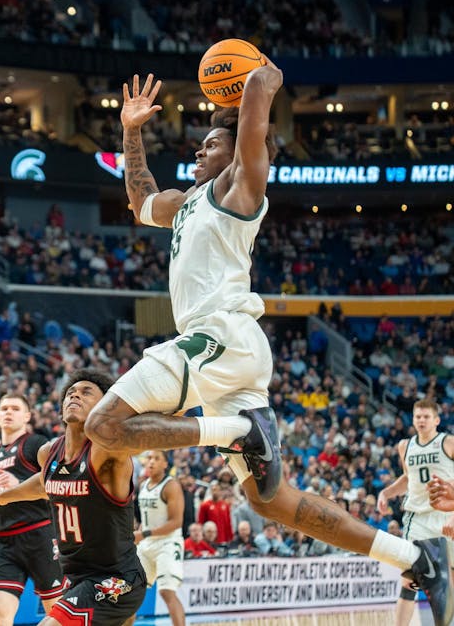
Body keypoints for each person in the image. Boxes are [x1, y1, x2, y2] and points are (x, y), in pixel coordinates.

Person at [80, 69, 451, 624]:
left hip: (219, 338)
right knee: (270, 500)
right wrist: (131, 131)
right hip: (228, 355)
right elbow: (140, 200)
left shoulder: (241, 188)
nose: (199, 150)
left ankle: (236, 431)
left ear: (237, 154)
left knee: (103, 426)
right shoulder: (186, 202)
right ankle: (419, 558)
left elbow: (254, 120)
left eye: (211, 143)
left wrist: (258, 78)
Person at [0, 370, 146, 626]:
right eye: (71, 393)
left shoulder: (107, 450)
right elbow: (43, 483)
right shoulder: (48, 452)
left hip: (114, 576)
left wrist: (207, 430)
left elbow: (142, 439)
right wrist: (0, 497)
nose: (75, 395)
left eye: (86, 392)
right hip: (76, 575)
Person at [0, 394, 63, 624]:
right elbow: (2, 504)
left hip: (40, 533)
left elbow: (56, 487)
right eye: (3, 408)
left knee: (58, 613)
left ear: (27, 416)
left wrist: (19, 487)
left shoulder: (36, 444)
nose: (8, 412)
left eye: (14, 408)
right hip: (5, 540)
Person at [377, 398, 454, 626]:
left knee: (450, 578)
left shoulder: (448, 443)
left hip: (445, 515)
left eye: (426, 417)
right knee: (409, 579)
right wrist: (387, 493)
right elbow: (409, 478)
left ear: (436, 420)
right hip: (417, 519)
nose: (421, 420)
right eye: (417, 416)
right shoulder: (405, 446)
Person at [136, 451, 186, 626]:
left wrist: (143, 534)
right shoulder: (143, 485)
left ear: (166, 464)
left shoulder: (171, 486)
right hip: (146, 544)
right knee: (131, 594)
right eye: (149, 458)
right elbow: (146, 519)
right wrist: (139, 534)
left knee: (166, 592)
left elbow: (176, 522)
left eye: (157, 459)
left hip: (168, 543)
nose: (151, 462)